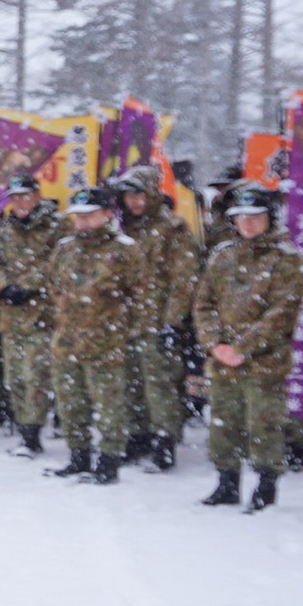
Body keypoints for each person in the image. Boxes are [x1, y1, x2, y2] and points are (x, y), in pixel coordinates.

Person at [192, 186, 303, 512]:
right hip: (224, 360)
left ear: (270, 218)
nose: (248, 224)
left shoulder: (286, 260)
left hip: (264, 362)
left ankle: (265, 487)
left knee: (263, 424)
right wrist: (215, 344)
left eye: (255, 217)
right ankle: (227, 483)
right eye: (241, 217)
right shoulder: (223, 256)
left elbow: (282, 312)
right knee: (224, 423)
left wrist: (243, 347)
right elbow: (203, 303)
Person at [45, 188, 139, 483]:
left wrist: (119, 325)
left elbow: (141, 294)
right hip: (68, 340)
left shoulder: (124, 250)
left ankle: (109, 460)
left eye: (90, 215)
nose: (83, 222)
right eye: (79, 216)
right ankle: (78, 456)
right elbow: (53, 286)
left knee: (109, 406)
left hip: (106, 341)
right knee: (71, 403)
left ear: (107, 215)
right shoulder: (65, 248)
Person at [114, 167, 194, 470]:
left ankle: (165, 442)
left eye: (140, 194)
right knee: (130, 383)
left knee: (160, 385)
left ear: (152, 193)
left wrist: (172, 322)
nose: (134, 201)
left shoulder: (173, 228)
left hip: (158, 321)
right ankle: (137, 437)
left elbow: (183, 281)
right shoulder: (122, 229)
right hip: (125, 322)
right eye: (128, 195)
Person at [0, 175, 60, 456]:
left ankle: (32, 434)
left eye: (25, 197)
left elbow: (57, 263)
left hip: (41, 314)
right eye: (15, 198)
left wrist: (28, 286)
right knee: (15, 376)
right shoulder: (7, 229)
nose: (20, 203)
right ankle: (23, 428)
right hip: (10, 315)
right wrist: (3, 286)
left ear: (37, 196)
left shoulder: (55, 226)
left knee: (35, 377)